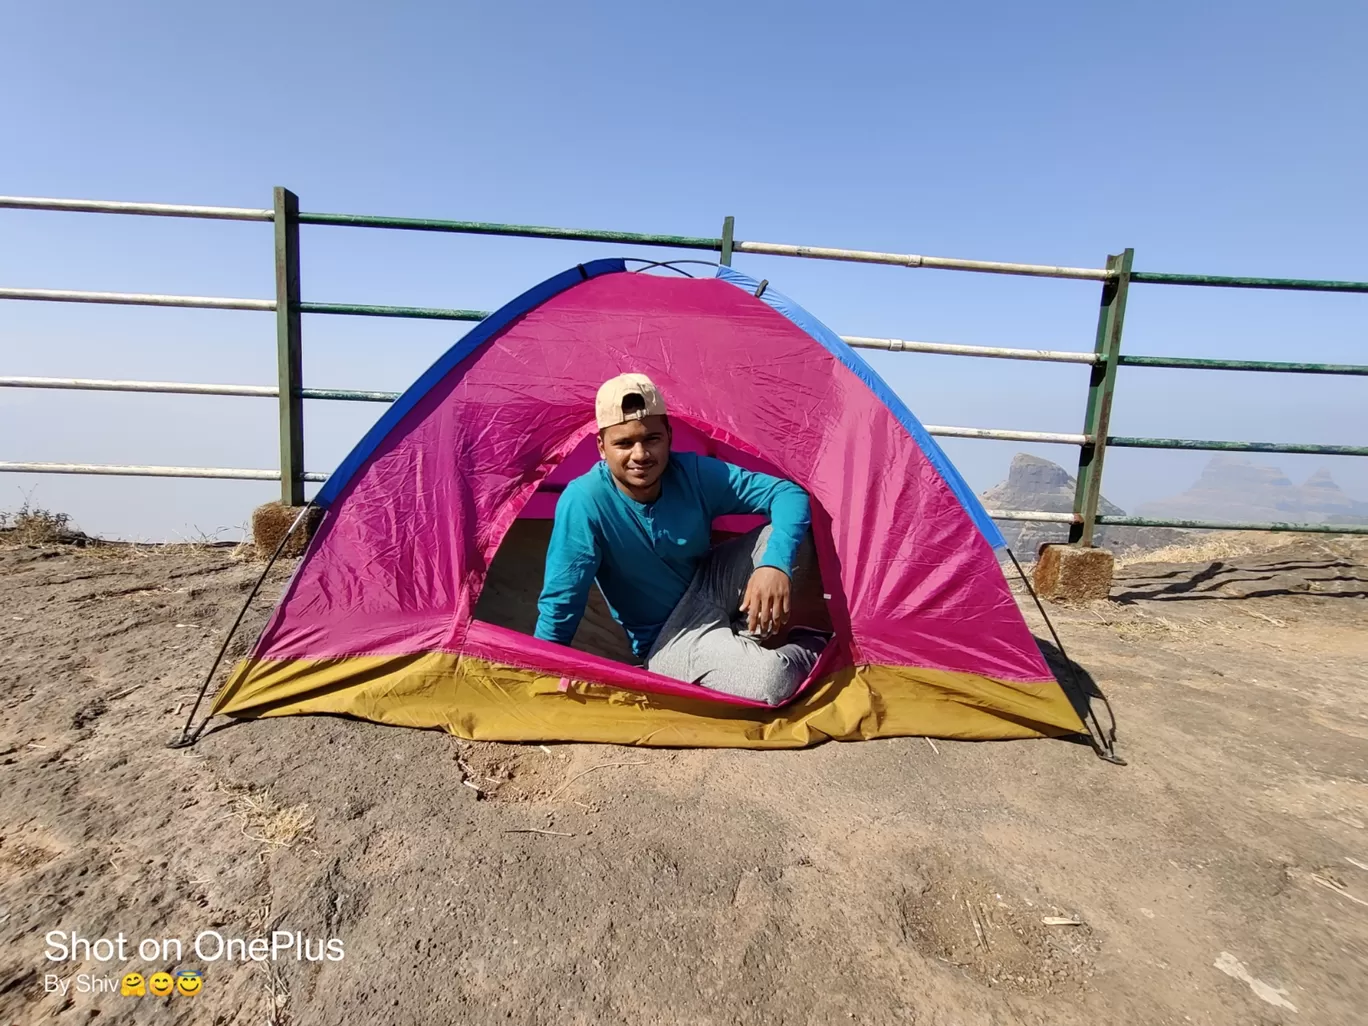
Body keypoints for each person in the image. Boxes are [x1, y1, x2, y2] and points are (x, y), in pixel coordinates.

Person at [534, 373, 830, 706]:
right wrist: (541, 668)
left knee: (796, 538)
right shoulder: (584, 501)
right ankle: (811, 646)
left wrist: (774, 564)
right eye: (624, 443)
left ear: (669, 437)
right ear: (602, 446)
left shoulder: (692, 473)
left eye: (651, 439)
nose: (640, 454)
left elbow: (788, 494)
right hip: (669, 635)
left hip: (711, 582)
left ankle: (736, 642)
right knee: (769, 682)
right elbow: (562, 599)